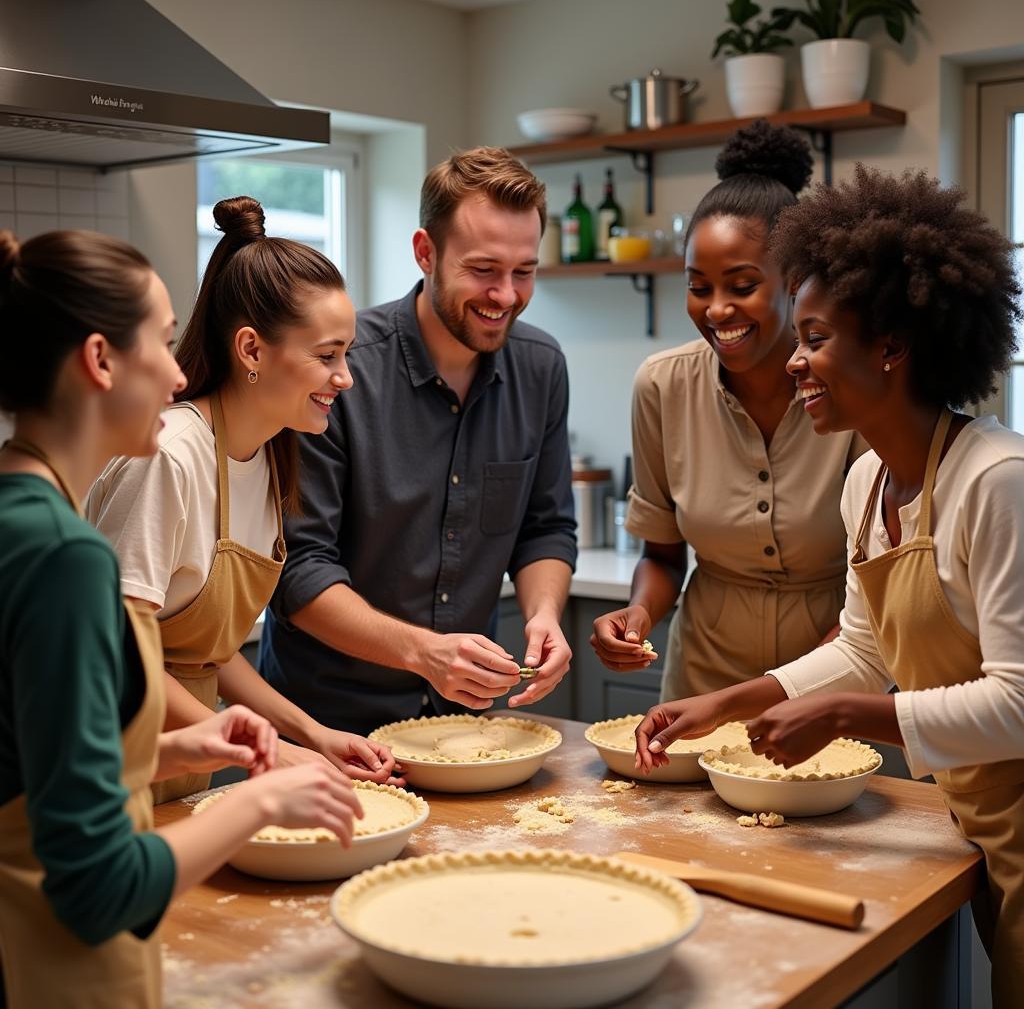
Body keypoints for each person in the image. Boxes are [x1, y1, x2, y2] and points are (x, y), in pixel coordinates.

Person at [634, 166, 1024, 1004]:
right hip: (976, 818)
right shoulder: (870, 484)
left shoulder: (996, 480)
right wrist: (725, 703)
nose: (798, 360)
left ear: (889, 346)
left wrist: (849, 714)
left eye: (814, 337)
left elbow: (1020, 702)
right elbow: (863, 646)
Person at [0, 228, 362, 1008]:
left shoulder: (21, 517)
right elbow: (95, 886)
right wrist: (258, 796)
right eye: (162, 344)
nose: (176, 374)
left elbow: (38, 762)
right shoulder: (60, 554)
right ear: (100, 361)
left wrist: (196, 746)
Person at [86, 197, 399, 803]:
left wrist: (311, 733)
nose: (346, 378)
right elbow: (124, 652)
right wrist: (273, 752)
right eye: (326, 356)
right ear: (252, 350)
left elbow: (204, 653)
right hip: (109, 772)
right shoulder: (169, 457)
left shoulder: (268, 454)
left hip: (182, 774)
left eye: (348, 355)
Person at [258, 147, 577, 734]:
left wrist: (545, 615)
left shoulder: (541, 368)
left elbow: (545, 528)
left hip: (462, 728)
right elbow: (299, 570)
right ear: (425, 252)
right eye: (483, 270)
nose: (505, 295)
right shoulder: (342, 372)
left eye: (524, 272)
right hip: (325, 727)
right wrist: (422, 652)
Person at [591, 121, 866, 701]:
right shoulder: (662, 388)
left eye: (741, 286)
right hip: (703, 681)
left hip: (837, 679)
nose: (716, 310)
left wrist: (808, 684)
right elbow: (662, 555)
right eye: (698, 286)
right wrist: (637, 615)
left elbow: (887, 582)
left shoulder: (856, 386)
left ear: (794, 282)